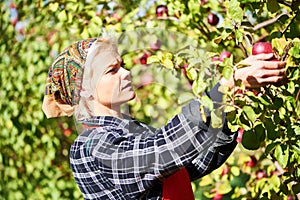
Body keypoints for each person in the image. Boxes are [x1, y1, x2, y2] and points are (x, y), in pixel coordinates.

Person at [42, 33, 286, 200]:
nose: (127, 73)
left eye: (123, 65)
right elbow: (164, 151)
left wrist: (232, 110)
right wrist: (225, 87)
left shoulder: (132, 131)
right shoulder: (91, 147)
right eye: (112, 70)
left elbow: (187, 167)